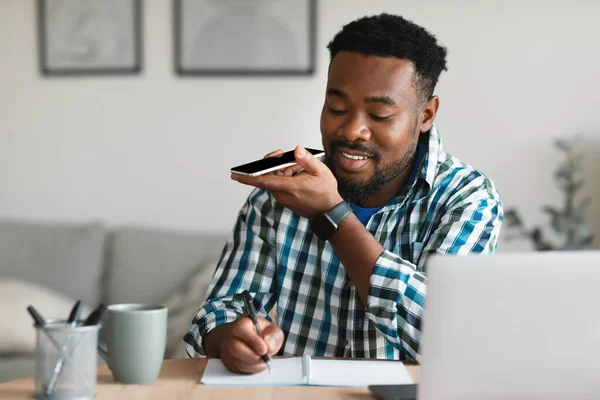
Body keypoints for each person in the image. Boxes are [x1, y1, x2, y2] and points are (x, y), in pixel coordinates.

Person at [184, 13, 503, 374]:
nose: (352, 130)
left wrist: (332, 214)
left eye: (380, 115)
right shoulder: (282, 194)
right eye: (337, 108)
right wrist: (232, 339)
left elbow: (446, 339)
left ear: (426, 114)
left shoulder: (467, 199)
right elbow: (217, 314)